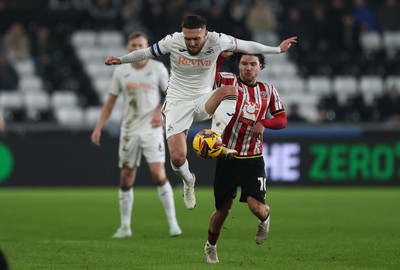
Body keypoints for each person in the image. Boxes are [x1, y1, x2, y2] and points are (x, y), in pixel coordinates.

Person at [104, 14, 296, 210]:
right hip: (177, 103)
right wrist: (120, 60)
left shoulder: (218, 40)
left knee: (231, 90)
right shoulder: (172, 41)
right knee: (178, 158)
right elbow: (146, 53)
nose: (192, 43)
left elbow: (247, 45)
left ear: (205, 33)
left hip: (204, 99)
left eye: (196, 38)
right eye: (188, 38)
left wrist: (277, 49)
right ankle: (188, 182)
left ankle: (215, 137)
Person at [91, 32, 182, 238]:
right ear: (128, 47)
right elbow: (111, 101)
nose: (136, 48)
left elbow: (172, 95)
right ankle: (125, 226)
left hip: (151, 129)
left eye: (140, 45)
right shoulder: (121, 71)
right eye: (133, 45)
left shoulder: (157, 69)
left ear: (146, 47)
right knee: (126, 179)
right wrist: (98, 127)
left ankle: (173, 223)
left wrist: (160, 110)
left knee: (158, 174)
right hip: (129, 129)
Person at [203, 52, 287, 264]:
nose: (248, 68)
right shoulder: (229, 81)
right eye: (244, 63)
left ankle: (265, 219)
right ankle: (211, 245)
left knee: (256, 207)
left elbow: (282, 120)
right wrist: (221, 56)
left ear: (260, 67)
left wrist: (265, 123)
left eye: (253, 64)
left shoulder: (268, 91)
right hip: (227, 155)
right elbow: (209, 75)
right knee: (223, 210)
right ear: (239, 65)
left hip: (253, 157)